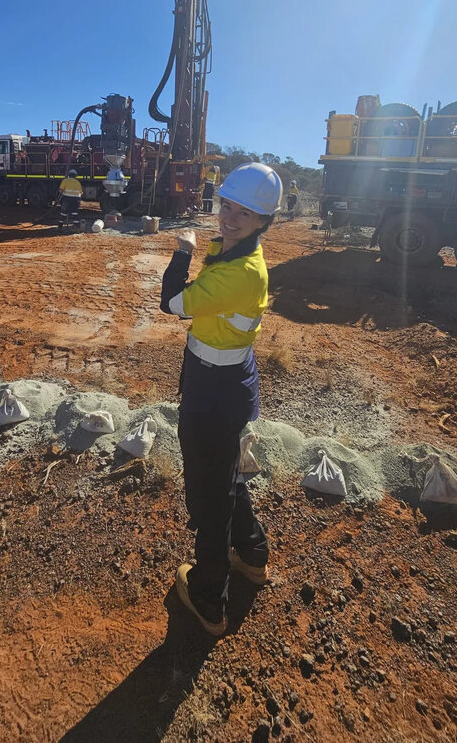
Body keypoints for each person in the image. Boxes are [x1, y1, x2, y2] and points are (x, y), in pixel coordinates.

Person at [160, 162, 282, 635]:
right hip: (225, 376)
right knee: (224, 473)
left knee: (208, 494)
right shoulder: (238, 253)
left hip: (214, 389)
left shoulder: (239, 272)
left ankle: (210, 597)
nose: (229, 217)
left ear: (262, 222)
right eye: (226, 205)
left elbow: (171, 304)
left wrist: (181, 251)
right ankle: (251, 553)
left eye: (244, 213)